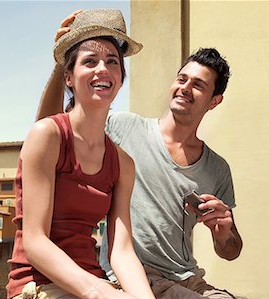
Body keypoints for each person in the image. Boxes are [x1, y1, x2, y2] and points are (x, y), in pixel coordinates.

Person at [36, 12, 243, 299]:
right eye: (182, 78)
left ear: (214, 101)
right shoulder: (122, 128)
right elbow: (53, 132)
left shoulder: (218, 169)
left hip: (189, 279)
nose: (185, 87)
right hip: (134, 277)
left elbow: (230, 251)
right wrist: (62, 60)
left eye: (198, 85)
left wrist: (224, 233)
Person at [7, 9, 155, 299]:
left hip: (92, 282)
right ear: (69, 78)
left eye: (113, 62)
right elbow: (35, 242)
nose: (103, 68)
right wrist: (100, 292)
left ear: (120, 79)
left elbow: (122, 251)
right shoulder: (47, 135)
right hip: (38, 284)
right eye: (89, 61)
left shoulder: (123, 163)